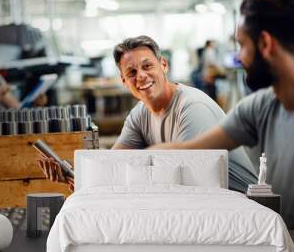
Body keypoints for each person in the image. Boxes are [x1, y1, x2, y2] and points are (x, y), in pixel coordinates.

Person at [149, 0, 294, 230]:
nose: (239, 57)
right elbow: (188, 151)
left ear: (265, 43)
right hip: (279, 251)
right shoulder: (262, 107)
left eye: (242, 45)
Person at [39, 35, 257, 193]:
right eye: (132, 72)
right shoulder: (139, 115)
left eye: (147, 66)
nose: (141, 76)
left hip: (239, 202)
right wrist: (74, 173)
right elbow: (113, 163)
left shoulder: (191, 107)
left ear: (163, 65)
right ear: (124, 82)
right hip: (202, 201)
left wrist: (105, 184)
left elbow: (184, 179)